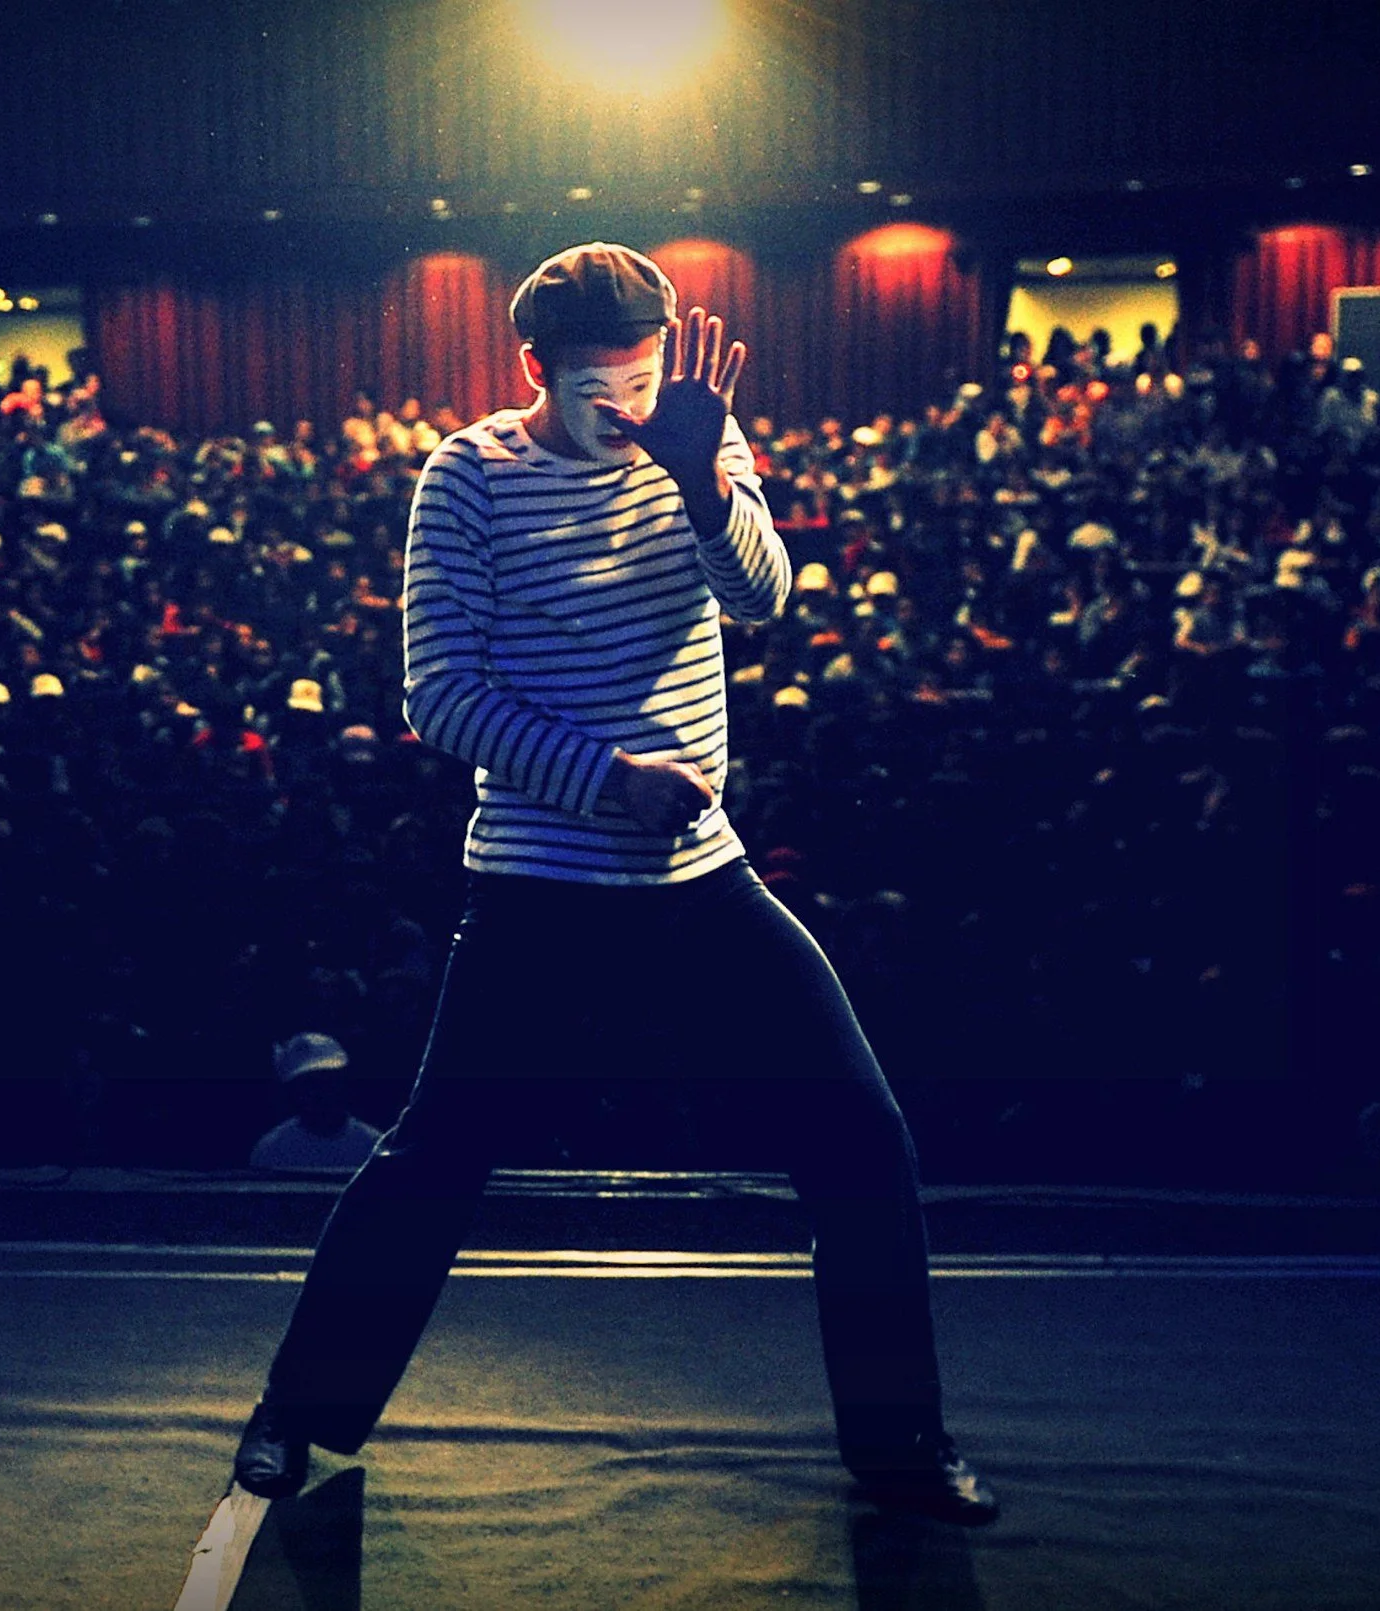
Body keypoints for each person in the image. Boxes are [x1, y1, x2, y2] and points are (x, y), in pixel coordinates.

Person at [228, 241, 999, 1525]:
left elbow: (762, 597)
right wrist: (606, 780)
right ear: (533, 368)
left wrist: (702, 477)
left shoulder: (695, 436)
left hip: (702, 877)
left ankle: (900, 1442)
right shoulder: (468, 475)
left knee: (861, 1140)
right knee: (434, 1161)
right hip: (540, 882)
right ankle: (295, 1416)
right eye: (600, 385)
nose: (627, 406)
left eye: (641, 378)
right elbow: (438, 698)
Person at [249, 1032, 384, 1171]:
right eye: (310, 1083)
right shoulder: (271, 1150)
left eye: (328, 1080)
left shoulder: (374, 1147)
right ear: (293, 1091)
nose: (321, 1091)